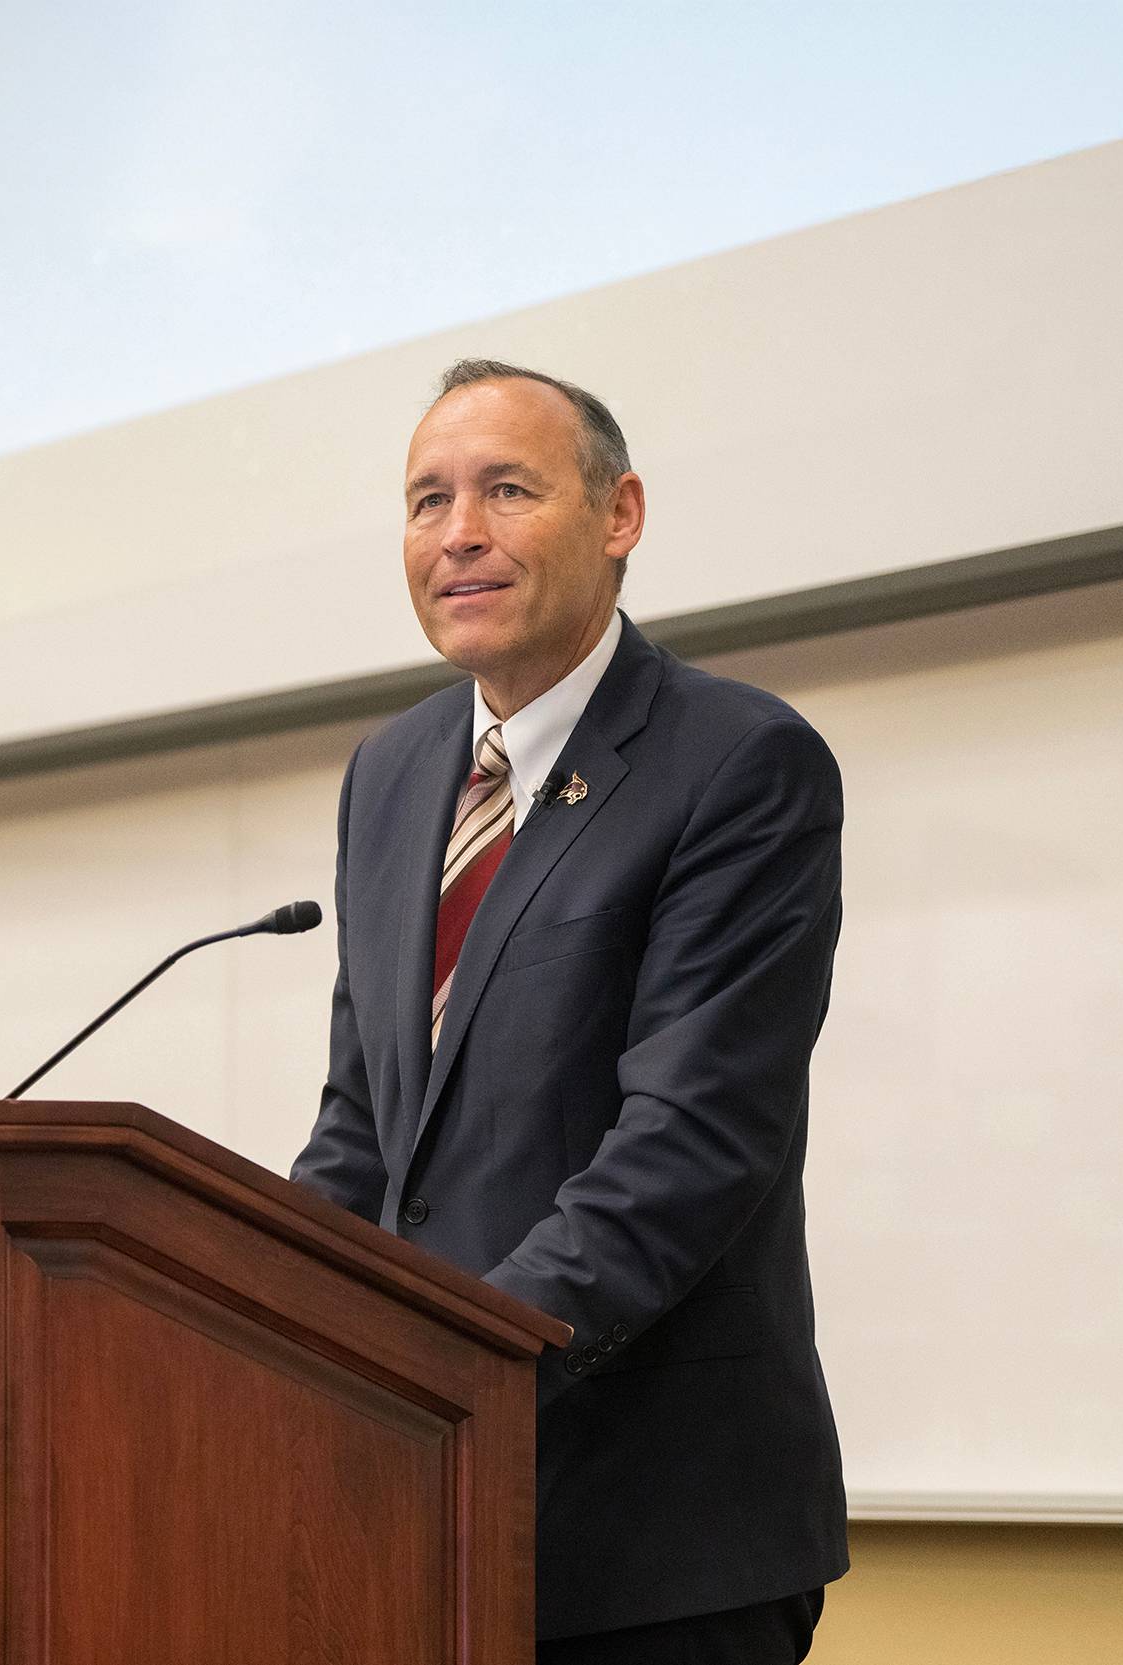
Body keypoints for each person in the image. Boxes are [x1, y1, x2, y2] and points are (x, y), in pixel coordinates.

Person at [291, 360, 847, 1663]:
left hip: (657, 1542)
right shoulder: (391, 773)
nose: (459, 532)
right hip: (423, 1513)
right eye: (428, 500)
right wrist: (258, 1331)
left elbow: (690, 1143)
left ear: (620, 515)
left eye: (506, 490)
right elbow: (363, 1131)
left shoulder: (739, 763)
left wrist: (451, 1374)